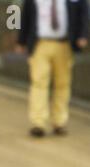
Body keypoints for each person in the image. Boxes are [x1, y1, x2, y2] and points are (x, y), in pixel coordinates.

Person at [16, 0, 89, 137]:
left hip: (64, 44)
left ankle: (59, 122)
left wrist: (83, 34)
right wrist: (21, 41)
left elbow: (83, 12)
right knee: (38, 82)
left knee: (62, 84)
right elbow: (25, 15)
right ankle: (38, 123)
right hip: (40, 43)